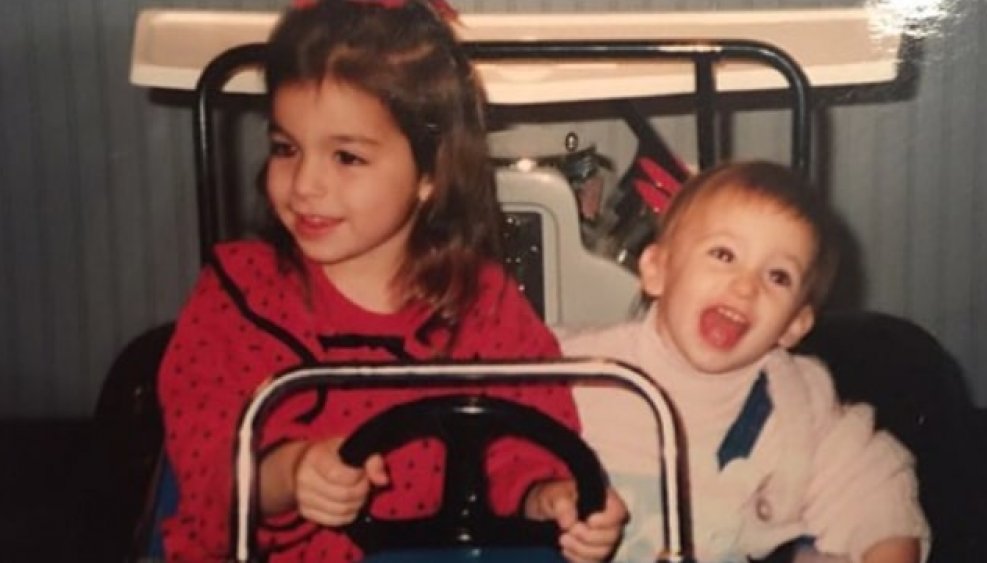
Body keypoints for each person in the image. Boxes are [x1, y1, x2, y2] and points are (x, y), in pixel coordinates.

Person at [157, 1, 625, 561]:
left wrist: (554, 498)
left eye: (347, 158)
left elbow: (526, 442)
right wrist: (289, 473)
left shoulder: (481, 304)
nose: (305, 183)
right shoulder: (239, 295)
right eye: (286, 149)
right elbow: (203, 461)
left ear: (430, 174)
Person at [560, 161, 929, 563]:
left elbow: (874, 493)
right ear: (657, 270)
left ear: (795, 324)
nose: (745, 285)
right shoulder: (581, 369)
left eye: (778, 276)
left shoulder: (797, 407)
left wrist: (887, 545)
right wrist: (548, 495)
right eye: (724, 254)